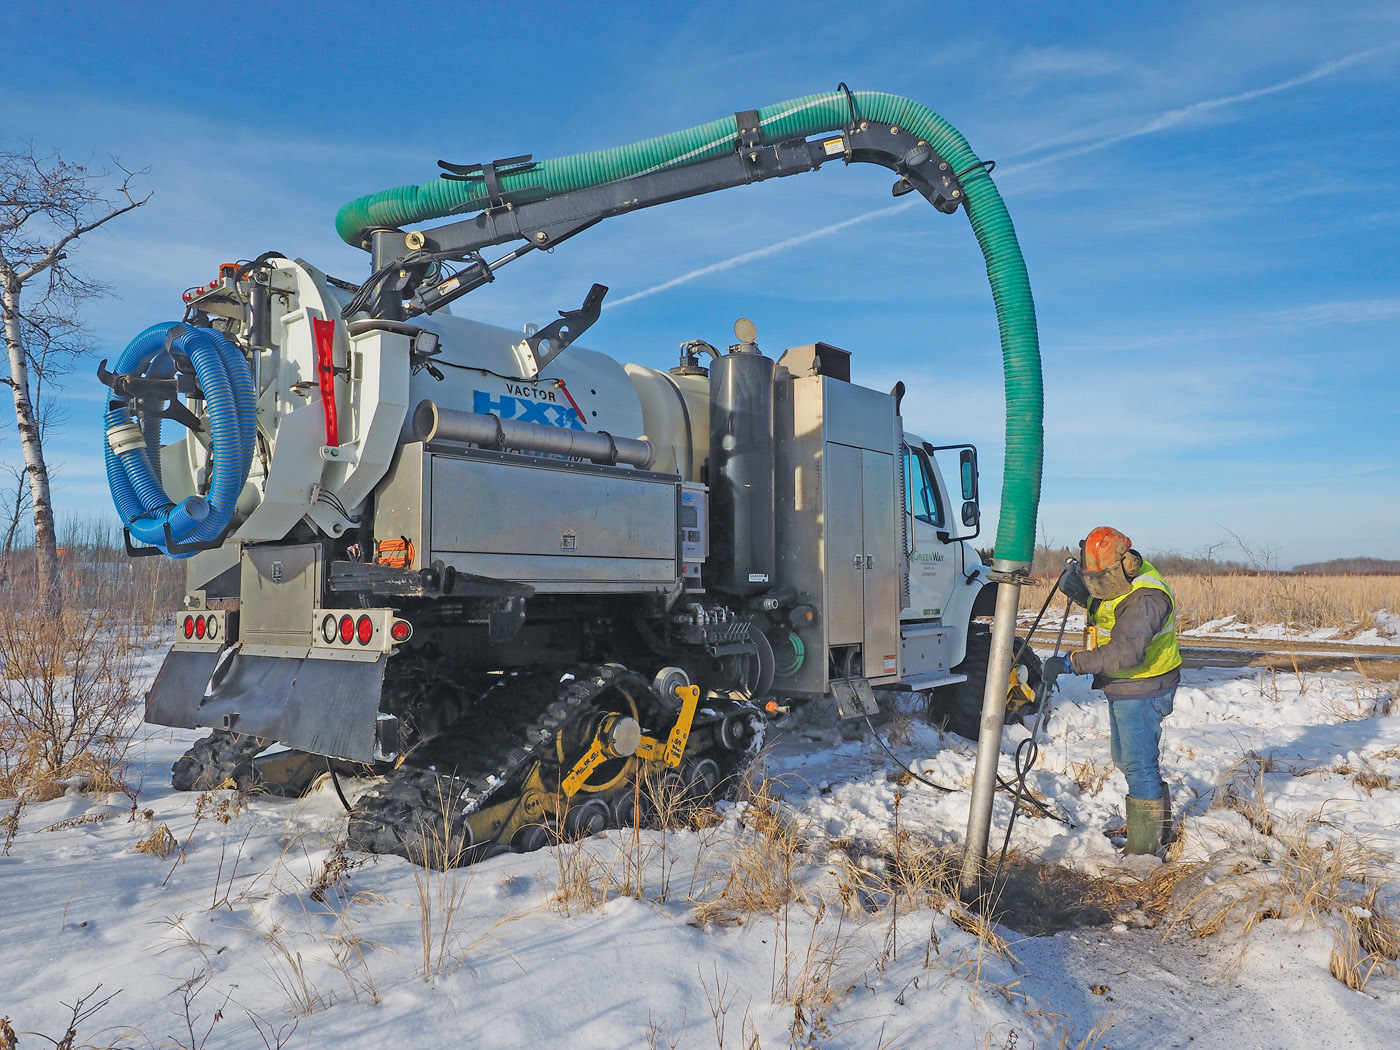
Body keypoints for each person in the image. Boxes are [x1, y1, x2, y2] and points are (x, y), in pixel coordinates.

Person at [1041, 526, 1181, 856]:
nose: (1098, 584)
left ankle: (1145, 852)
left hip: (1145, 685)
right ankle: (1156, 830)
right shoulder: (1122, 584)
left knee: (1139, 764)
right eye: (1092, 577)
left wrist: (1071, 663)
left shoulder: (1147, 599)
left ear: (1126, 565)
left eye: (1101, 578)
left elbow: (1124, 652)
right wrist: (1083, 594)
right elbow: (1109, 605)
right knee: (1128, 759)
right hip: (1125, 685)